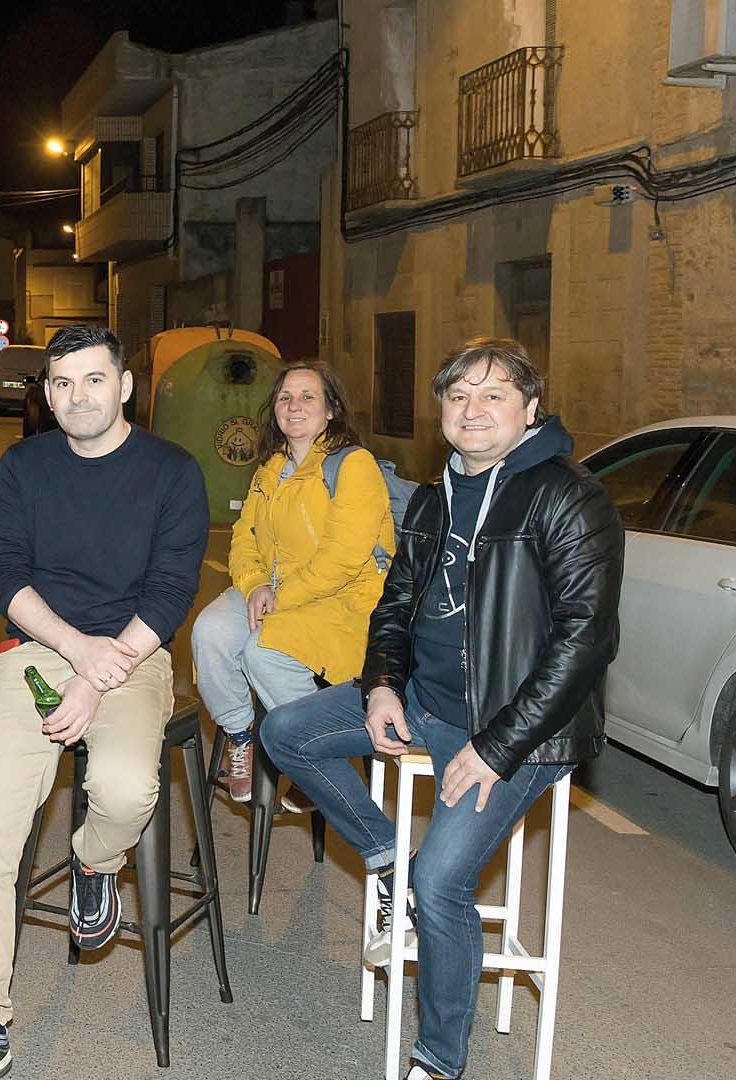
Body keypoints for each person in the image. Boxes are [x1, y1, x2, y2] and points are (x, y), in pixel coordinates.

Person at [260, 338, 622, 1080]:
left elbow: (587, 639)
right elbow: (394, 603)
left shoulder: (567, 495)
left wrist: (495, 748)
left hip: (519, 734)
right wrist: (384, 682)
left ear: (530, 407)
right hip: (421, 700)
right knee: (284, 732)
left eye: (493, 395)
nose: (473, 410)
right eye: (458, 397)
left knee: (443, 884)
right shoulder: (433, 496)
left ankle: (439, 1059)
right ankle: (386, 850)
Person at [0, 325, 208, 1079]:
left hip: (134, 651)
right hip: (37, 652)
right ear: (46, 393)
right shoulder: (26, 466)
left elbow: (171, 590)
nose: (76, 397)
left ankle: (95, 861)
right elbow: (4, 576)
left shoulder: (172, 471)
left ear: (125, 386)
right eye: (61, 384)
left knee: (123, 787)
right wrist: (72, 651)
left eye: (93, 380)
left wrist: (101, 671)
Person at [191, 361, 394, 802]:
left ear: (332, 411)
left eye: (307, 397)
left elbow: (343, 559)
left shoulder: (354, 466)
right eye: (285, 397)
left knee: (263, 652)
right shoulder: (271, 468)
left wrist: (280, 598)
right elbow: (243, 537)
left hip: (340, 599)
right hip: (274, 590)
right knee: (209, 632)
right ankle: (241, 735)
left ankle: (315, 756)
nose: (294, 406)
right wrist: (254, 584)